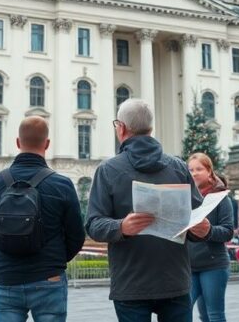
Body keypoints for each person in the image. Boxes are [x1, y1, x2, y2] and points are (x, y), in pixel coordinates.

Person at [86, 99, 210, 322]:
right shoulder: (178, 167)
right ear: (151, 129)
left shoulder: (108, 170)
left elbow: (93, 224)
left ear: (121, 128)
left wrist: (120, 227)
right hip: (175, 279)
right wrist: (203, 229)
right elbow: (196, 219)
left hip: (131, 281)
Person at [0, 116, 86, 321]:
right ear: (47, 144)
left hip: (6, 277)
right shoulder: (62, 184)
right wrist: (54, 261)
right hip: (49, 277)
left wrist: (6, 252)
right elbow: (77, 237)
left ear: (18, 142)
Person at [187, 152, 234, 322]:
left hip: (214, 264)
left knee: (213, 314)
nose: (194, 173)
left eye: (199, 169)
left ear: (209, 171)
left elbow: (228, 231)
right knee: (186, 311)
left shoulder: (220, 197)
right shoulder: (185, 196)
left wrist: (209, 231)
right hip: (188, 266)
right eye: (190, 169)